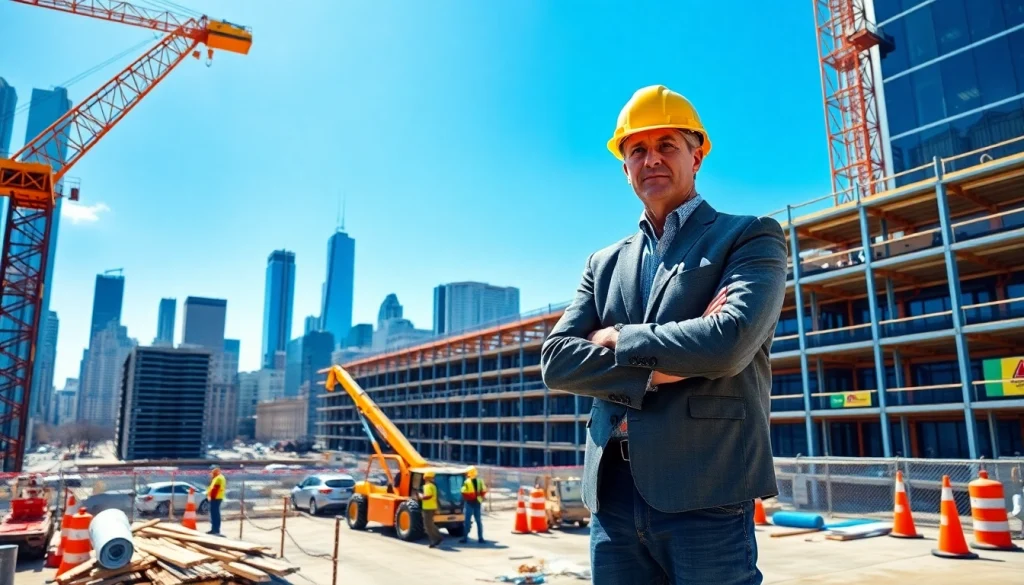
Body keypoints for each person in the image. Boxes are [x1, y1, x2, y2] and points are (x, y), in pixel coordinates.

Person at [540, 85, 788, 585]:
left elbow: (727, 343)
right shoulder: (603, 263)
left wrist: (617, 338)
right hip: (612, 497)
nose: (651, 159)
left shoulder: (749, 236)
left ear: (696, 156)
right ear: (625, 167)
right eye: (637, 150)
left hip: (706, 491)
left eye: (667, 146)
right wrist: (661, 369)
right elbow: (558, 361)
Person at [459, 467, 487, 544]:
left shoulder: (467, 482)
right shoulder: (480, 481)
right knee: (478, 521)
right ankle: (481, 538)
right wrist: (480, 496)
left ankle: (465, 538)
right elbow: (484, 490)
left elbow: (463, 491)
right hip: (477, 502)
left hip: (469, 503)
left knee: (467, 521)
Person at [419, 471, 444, 548]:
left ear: (426, 478)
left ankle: (436, 539)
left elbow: (428, 496)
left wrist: (421, 496)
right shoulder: (433, 486)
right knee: (429, 524)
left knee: (427, 525)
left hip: (428, 508)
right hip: (431, 507)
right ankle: (436, 538)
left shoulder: (427, 486)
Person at [205, 464, 226, 536]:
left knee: (214, 514)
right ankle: (214, 529)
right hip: (217, 497)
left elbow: (215, 489)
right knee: (215, 514)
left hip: (215, 498)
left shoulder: (218, 478)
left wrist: (211, 497)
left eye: (212, 470)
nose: (211, 472)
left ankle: (215, 529)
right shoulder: (218, 477)